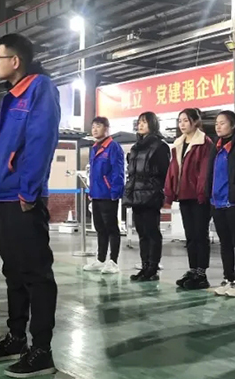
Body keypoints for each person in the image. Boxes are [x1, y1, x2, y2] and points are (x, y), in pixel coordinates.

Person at [0, 33, 60, 378]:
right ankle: (16, 337)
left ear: (15, 61)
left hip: (21, 199)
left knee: (35, 275)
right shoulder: (10, 96)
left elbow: (41, 141)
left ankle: (41, 350)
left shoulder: (40, 89)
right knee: (13, 272)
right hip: (2, 198)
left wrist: (29, 192)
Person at [165, 108, 213, 290]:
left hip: (199, 197)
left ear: (195, 122)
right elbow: (173, 171)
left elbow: (205, 171)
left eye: (185, 120)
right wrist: (170, 192)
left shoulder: (204, 143)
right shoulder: (178, 143)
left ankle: (202, 273)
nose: (182, 124)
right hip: (184, 195)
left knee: (200, 235)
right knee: (190, 236)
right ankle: (193, 270)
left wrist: (202, 193)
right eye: (180, 121)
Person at [123, 112, 170, 282]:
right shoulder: (136, 147)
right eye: (139, 122)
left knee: (152, 232)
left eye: (144, 122)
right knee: (142, 233)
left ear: (153, 124)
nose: (140, 125)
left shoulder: (160, 146)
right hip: (136, 194)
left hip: (151, 195)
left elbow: (164, 172)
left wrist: (154, 187)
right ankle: (144, 266)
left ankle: (152, 268)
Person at [83, 117, 124, 274]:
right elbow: (93, 174)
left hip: (108, 195)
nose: (94, 129)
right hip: (96, 194)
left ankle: (113, 262)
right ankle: (100, 260)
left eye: (98, 126)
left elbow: (118, 171)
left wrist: (115, 191)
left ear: (106, 128)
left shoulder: (113, 147)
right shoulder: (94, 147)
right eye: (93, 126)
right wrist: (91, 191)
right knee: (100, 228)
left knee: (111, 228)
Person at [207, 111, 235, 296]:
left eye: (222, 123)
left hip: (232, 202)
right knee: (225, 243)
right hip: (217, 202)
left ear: (233, 125)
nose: (218, 126)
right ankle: (229, 279)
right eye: (216, 123)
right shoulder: (216, 147)